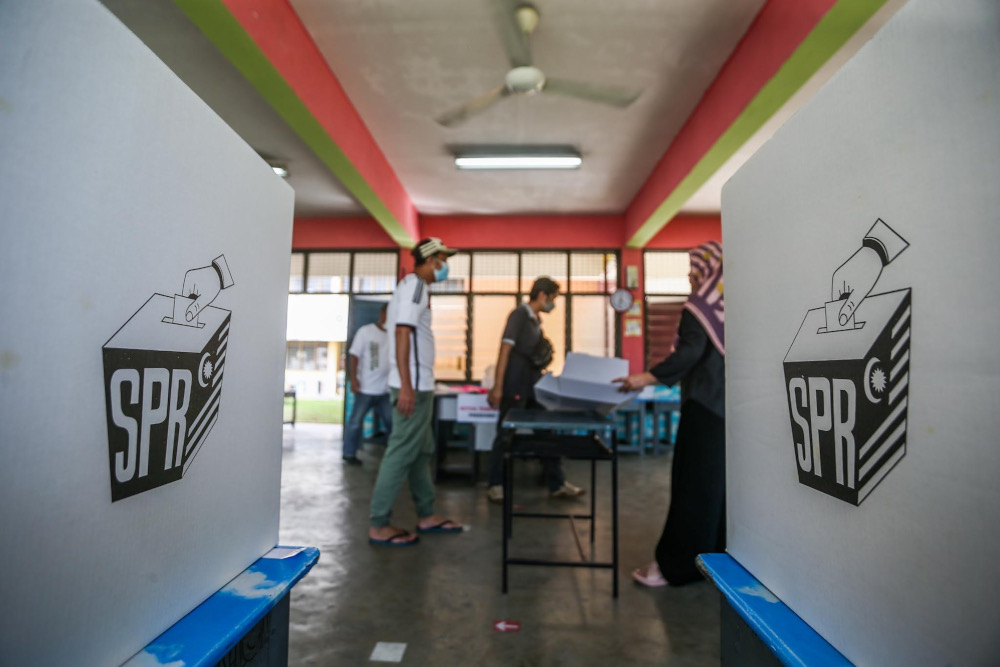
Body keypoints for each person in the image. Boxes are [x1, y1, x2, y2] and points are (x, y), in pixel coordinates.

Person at [615, 241, 725, 587]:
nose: (690, 278)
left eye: (694, 270)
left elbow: (689, 353)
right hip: (733, 411)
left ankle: (677, 566)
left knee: (691, 488)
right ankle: (717, 559)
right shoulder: (735, 308)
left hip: (704, 408)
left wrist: (645, 378)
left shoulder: (700, 308)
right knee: (719, 490)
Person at [368, 238, 465, 546]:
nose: (444, 266)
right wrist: (407, 386)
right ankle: (378, 524)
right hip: (413, 387)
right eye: (442, 260)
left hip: (418, 385)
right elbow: (402, 332)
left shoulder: (411, 287)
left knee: (421, 452)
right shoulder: (416, 287)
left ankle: (427, 514)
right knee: (400, 453)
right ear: (431, 260)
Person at [485, 277, 586, 505]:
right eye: (553, 298)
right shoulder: (519, 315)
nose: (553, 304)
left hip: (533, 387)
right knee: (505, 436)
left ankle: (557, 484)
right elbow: (504, 350)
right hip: (514, 386)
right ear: (542, 295)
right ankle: (495, 485)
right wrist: (498, 386)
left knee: (546, 433)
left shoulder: (535, 320)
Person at [342, 304, 392, 465]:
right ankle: (349, 453)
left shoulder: (395, 334)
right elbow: (353, 355)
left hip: (385, 390)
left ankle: (393, 456)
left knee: (392, 423)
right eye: (389, 313)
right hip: (366, 388)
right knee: (355, 423)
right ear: (382, 314)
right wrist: (354, 379)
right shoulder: (366, 331)